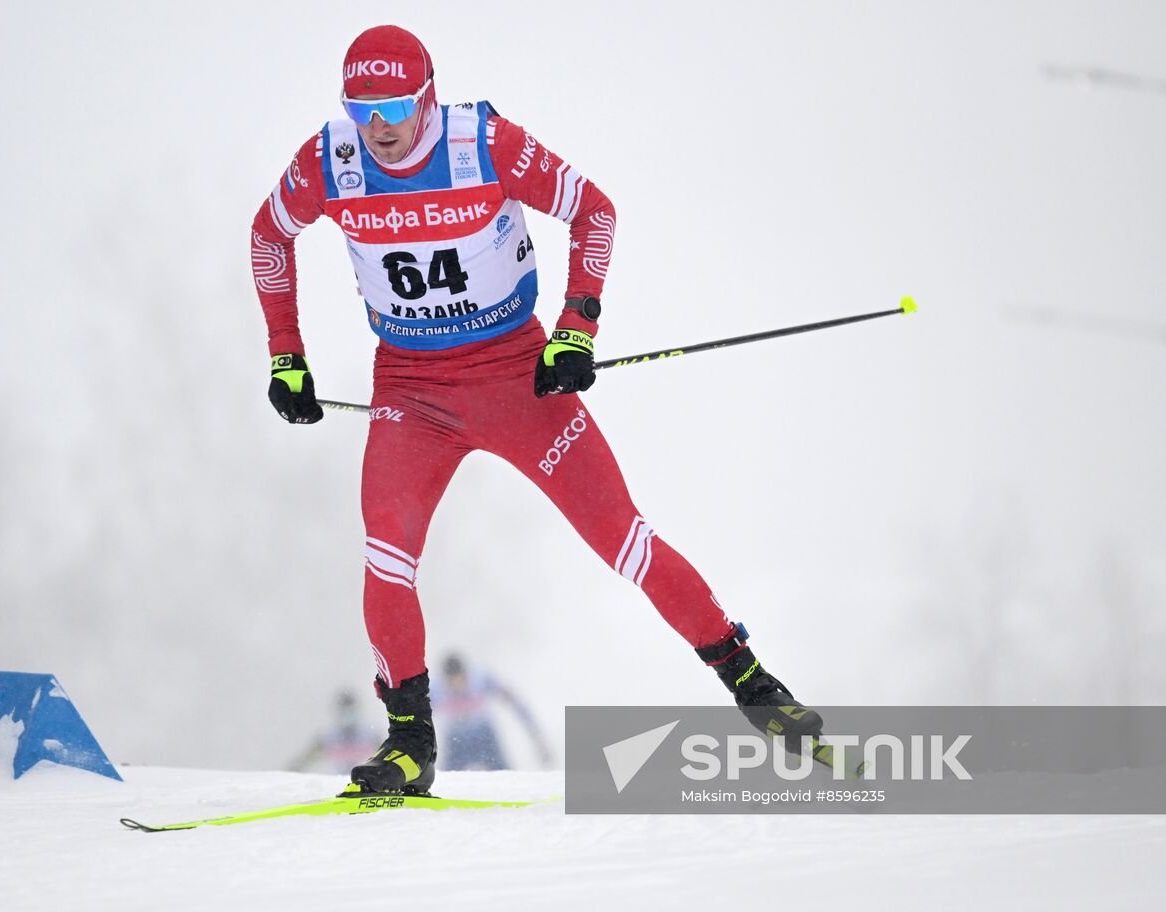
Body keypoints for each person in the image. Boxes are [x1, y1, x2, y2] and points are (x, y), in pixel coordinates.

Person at [251, 25, 823, 797]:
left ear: (427, 97)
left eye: (393, 106)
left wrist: (575, 329)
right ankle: (411, 744)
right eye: (361, 108)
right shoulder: (331, 160)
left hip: (518, 380)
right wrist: (287, 355)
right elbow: (268, 235)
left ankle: (755, 687)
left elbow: (594, 211)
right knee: (386, 554)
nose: (378, 126)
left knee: (623, 540)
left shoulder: (482, 144)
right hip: (411, 392)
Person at [432, 653, 552, 771]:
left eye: (458, 680)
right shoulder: (435, 691)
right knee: (447, 782)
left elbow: (516, 704)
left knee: (507, 777)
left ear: (465, 674)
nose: (455, 686)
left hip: (485, 739)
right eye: (450, 682)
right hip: (457, 743)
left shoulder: (482, 680)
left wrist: (538, 739)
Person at [285, 691, 380, 775]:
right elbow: (305, 760)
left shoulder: (370, 735)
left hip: (363, 787)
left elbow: (388, 758)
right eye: (344, 711)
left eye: (350, 710)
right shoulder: (328, 736)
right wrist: (287, 774)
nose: (347, 714)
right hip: (334, 786)